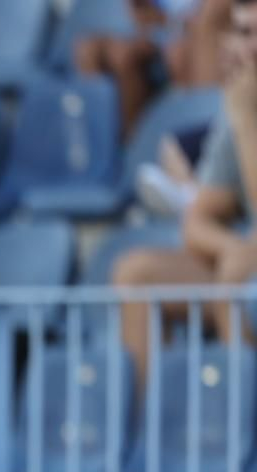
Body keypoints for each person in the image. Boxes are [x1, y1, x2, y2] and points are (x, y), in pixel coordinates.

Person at [114, 0, 257, 388]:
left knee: (234, 279)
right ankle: (147, 437)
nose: (251, 47)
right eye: (245, 33)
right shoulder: (240, 105)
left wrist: (246, 122)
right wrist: (231, 247)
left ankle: (242, 427)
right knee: (137, 272)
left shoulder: (241, 110)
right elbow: (197, 220)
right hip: (250, 264)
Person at [75, 0, 229, 135]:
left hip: (192, 43)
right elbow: (144, 17)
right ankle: (120, 149)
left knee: (179, 53)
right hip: (162, 36)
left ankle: (198, 125)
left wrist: (173, 24)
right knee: (90, 51)